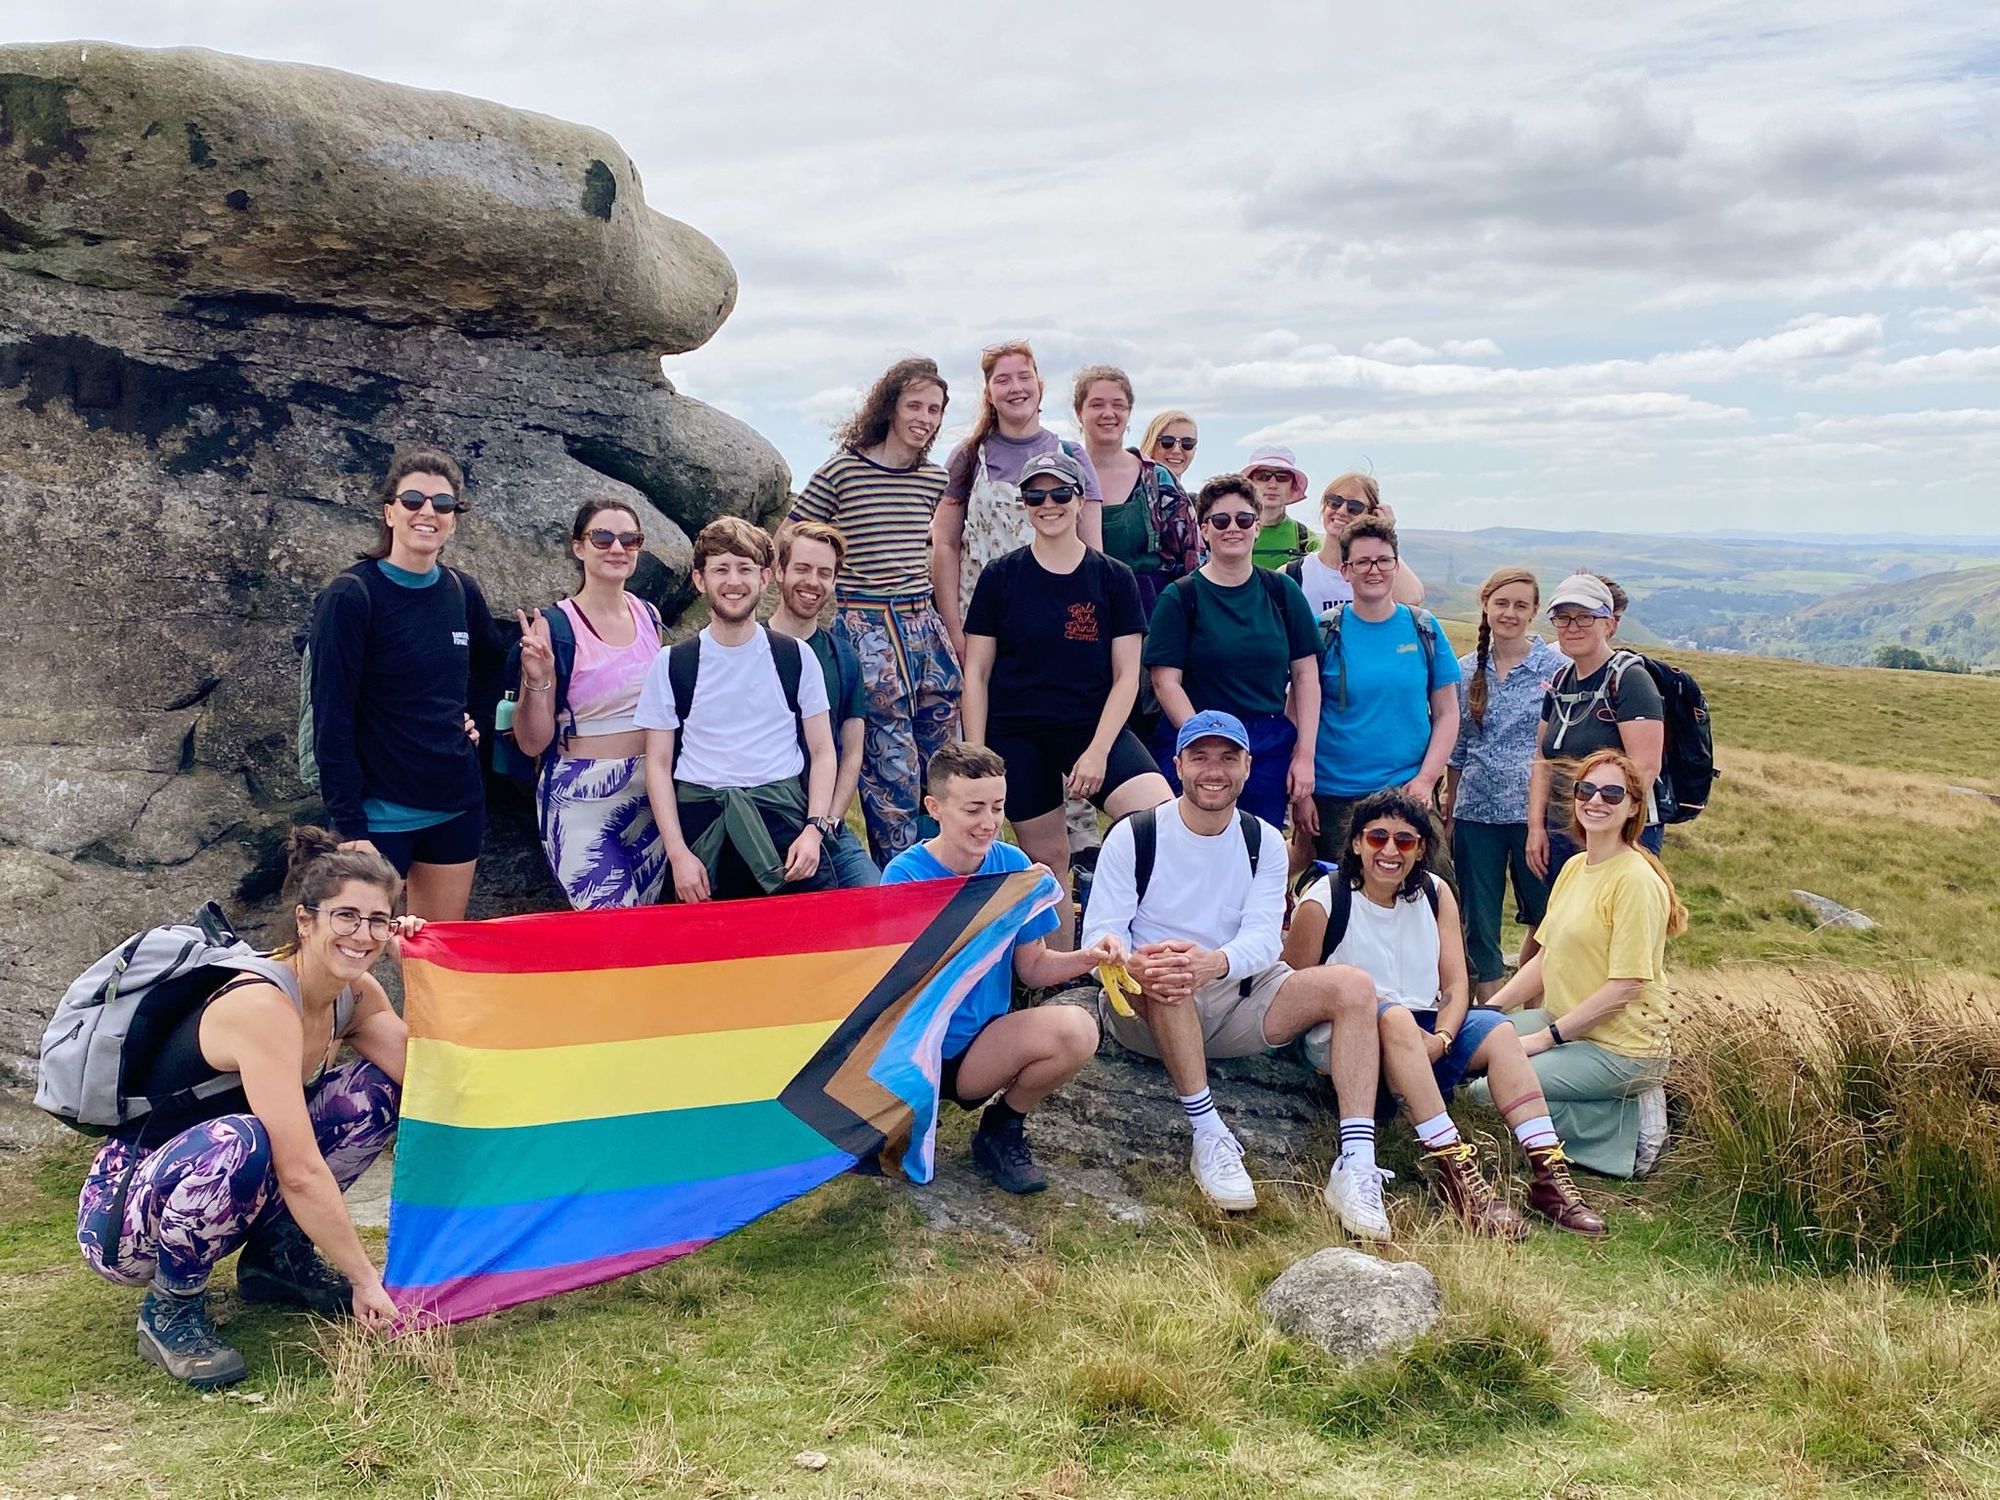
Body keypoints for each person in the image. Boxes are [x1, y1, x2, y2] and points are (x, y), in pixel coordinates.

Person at [76, 829, 415, 1388]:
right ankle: (171, 1308)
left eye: (379, 920)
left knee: (375, 1093)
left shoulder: (356, 996)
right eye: (346, 916)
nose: (364, 934)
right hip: (125, 1218)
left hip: (220, 1178)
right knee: (245, 1139)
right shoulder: (261, 1004)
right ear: (306, 920)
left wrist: (420, 969)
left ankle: (276, 1262)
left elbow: (432, 1082)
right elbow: (300, 1170)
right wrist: (364, 1278)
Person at [1080, 711, 1389, 1235]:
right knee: (1170, 969)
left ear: (1247, 767)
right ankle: (1209, 1134)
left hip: (1235, 997)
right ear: (1177, 765)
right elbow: (1101, 934)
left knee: (1354, 986)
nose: (1213, 771)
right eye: (1200, 757)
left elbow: (1266, 940)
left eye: (1227, 758)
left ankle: (1356, 1162)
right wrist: (1129, 959)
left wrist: (1212, 963)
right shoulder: (1135, 834)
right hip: (1149, 1003)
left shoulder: (1264, 840)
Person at [1284, 790, 1606, 1237]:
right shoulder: (1326, 900)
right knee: (1393, 1017)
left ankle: (1549, 1175)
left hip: (1426, 1029)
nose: (1390, 851)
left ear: (1421, 849)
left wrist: (1442, 1040)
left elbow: (1456, 985)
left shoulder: (1435, 895)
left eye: (1405, 840)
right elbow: (1295, 989)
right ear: (1356, 844)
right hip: (1349, 1037)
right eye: (1377, 838)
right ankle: (1456, 1172)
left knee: (1498, 1030)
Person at [881, 743, 1118, 1194]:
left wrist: (1090, 957)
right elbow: (896, 983)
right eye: (973, 809)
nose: (989, 822)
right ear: (935, 808)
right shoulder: (904, 876)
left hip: (979, 1049)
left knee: (1079, 1030)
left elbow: (1033, 968)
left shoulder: (1013, 867)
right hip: (911, 1052)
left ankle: (1002, 1128)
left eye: (998, 807)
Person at [961, 451, 1172, 944]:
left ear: (1080, 500)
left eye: (1060, 493)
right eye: (1036, 495)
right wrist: (981, 755)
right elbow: (977, 672)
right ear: (1025, 504)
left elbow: (1126, 677)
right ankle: (1060, 977)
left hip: (1090, 726)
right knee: (1049, 859)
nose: (1048, 504)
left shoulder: (1113, 577)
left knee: (1159, 821)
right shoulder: (1000, 576)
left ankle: (1133, 934)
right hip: (1017, 732)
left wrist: (1098, 751)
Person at [305, 447, 505, 920]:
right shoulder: (351, 596)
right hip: (375, 819)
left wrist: (475, 718)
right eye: (413, 500)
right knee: (352, 955)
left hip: (455, 806)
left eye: (443, 504)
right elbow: (331, 718)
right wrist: (351, 825)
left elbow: (491, 664)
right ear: (389, 511)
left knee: (435, 951)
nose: (427, 512)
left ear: (455, 519)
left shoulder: (461, 591)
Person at [1473, 749, 1686, 1177]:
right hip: (1567, 1022)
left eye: (1612, 793)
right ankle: (1604, 1106)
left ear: (1632, 808)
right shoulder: (1573, 867)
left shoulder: (1636, 881)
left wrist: (1546, 1038)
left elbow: (1625, 986)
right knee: (1469, 1050)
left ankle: (1630, 1132)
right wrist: (1488, 1014)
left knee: (1488, 1091)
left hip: (1623, 1047)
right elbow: (1544, 958)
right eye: (1586, 790)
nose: (1596, 801)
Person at [790, 358, 961, 865]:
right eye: (914, 405)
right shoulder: (844, 470)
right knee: (891, 770)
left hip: (922, 627)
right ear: (890, 407)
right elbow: (794, 533)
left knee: (944, 760)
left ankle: (950, 873)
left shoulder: (934, 479)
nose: (924, 417)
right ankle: (901, 885)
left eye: (934, 409)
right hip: (866, 625)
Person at [637, 518, 839, 903]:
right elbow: (658, 764)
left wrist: (813, 831)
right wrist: (678, 854)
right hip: (702, 830)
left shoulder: (796, 657)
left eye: (745, 568)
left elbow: (823, 750)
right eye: (721, 569)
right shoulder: (672, 664)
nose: (734, 581)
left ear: (764, 578)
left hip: (782, 824)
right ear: (700, 580)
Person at [510, 499, 668, 909]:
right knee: (617, 929)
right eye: (602, 537)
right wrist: (538, 679)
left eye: (630, 539)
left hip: (650, 794)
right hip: (580, 799)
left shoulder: (649, 616)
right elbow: (531, 742)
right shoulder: (555, 625)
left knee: (647, 928)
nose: (617, 548)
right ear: (579, 547)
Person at [1142, 475, 1320, 830]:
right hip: (1195, 738)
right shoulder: (1181, 597)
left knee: (1256, 846)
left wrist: (1304, 754)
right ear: (1204, 529)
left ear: (1257, 527)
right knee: (1190, 846)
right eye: (1220, 521)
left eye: (1243, 519)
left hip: (1266, 746)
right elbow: (1166, 683)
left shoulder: (1282, 592)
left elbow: (1306, 676)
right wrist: (1205, 741)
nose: (1232, 529)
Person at [1302, 516, 1461, 872]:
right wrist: (1303, 794)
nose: (1374, 570)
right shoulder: (1324, 631)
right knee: (1346, 908)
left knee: (1433, 899)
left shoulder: (1424, 628)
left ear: (1395, 565)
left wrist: (1426, 779)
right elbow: (1298, 712)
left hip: (1409, 792)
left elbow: (1448, 713)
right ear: (1345, 571)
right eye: (1362, 562)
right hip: (1336, 797)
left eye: (1383, 560)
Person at [931, 340, 1103, 659]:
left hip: (1057, 622)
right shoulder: (967, 458)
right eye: (1003, 380)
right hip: (981, 625)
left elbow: (1093, 553)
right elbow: (945, 545)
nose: (1016, 388)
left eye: (1024, 377)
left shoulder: (1072, 456)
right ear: (988, 394)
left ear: (1039, 385)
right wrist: (954, 632)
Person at [1445, 569, 1567, 999]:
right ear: (1485, 606)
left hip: (1538, 815)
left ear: (1534, 612)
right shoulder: (1463, 670)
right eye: (1501, 603)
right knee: (1479, 920)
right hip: (1476, 813)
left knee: (1546, 914)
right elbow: (1457, 748)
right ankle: (1491, 1015)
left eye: (1520, 605)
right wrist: (1450, 810)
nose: (1510, 613)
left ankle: (1534, 1007)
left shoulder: (1557, 669)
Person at [1528, 574, 1665, 885]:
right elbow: (1542, 759)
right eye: (1562, 618)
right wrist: (1536, 826)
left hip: (1617, 834)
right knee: (1566, 926)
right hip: (1563, 829)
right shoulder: (1560, 681)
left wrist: (1608, 834)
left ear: (1609, 624)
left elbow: (1644, 768)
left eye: (1585, 617)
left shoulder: (1631, 680)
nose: (1572, 626)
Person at [768, 521, 879, 888]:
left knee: (875, 898)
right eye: (802, 569)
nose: (812, 582)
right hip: (759, 818)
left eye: (824, 573)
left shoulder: (843, 657)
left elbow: (851, 753)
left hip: (823, 825)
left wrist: (827, 821)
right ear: (779, 571)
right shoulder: (747, 646)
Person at [1073, 365, 1199, 613]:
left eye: (1118, 405)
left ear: (1129, 412)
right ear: (1079, 412)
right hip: (1083, 612)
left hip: (1152, 614)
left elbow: (1193, 561)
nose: (1108, 413)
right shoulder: (1063, 479)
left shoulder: (1158, 480)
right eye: (1097, 404)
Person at [1286, 473, 1428, 611]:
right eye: (1335, 502)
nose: (1341, 511)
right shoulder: (1294, 573)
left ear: (1371, 515)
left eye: (1354, 507)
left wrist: (1385, 533)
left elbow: (1411, 598)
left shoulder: (1373, 572)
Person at [1243, 444, 1317, 571]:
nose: (1272, 485)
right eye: (1263, 476)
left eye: (1282, 477)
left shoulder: (1307, 541)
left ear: (1292, 486)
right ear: (1250, 483)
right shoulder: (1228, 532)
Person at [1139, 409, 1200, 491]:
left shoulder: (1194, 502)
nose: (1177, 450)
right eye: (1167, 441)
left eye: (1187, 443)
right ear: (1151, 444)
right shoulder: (1132, 494)